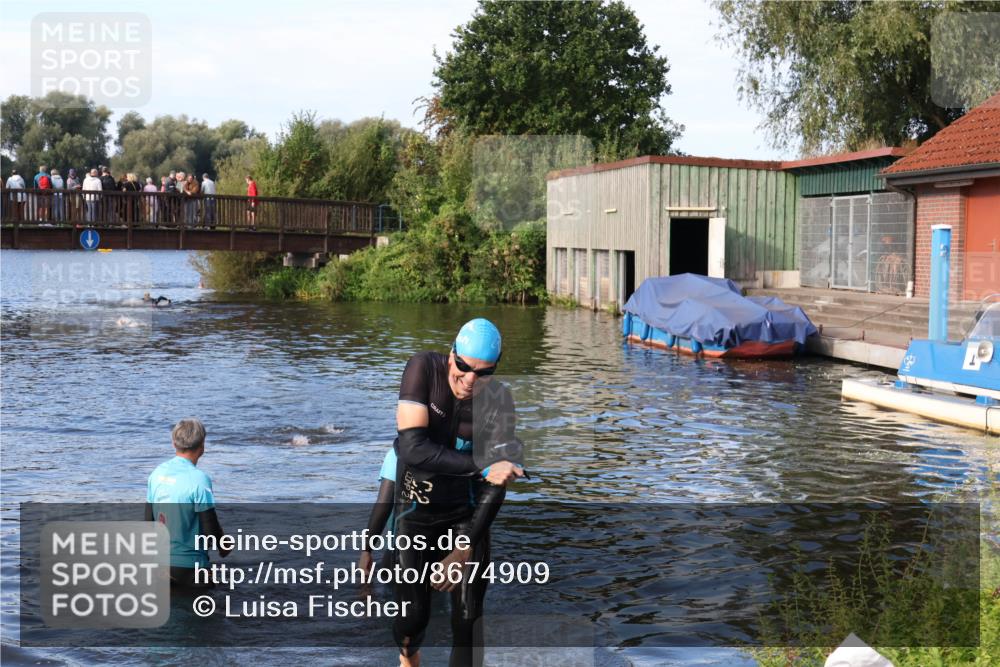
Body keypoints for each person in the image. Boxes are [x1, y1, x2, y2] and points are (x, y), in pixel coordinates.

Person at [389, 318, 524, 667]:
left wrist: (464, 548)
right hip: (414, 511)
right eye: (462, 367)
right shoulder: (424, 369)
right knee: (413, 617)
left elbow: (497, 485)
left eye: (482, 373)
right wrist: (480, 466)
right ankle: (408, 657)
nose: (469, 381)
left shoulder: (499, 401)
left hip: (466, 517)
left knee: (468, 622)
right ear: (451, 355)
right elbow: (413, 448)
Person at [145, 418, 230, 588]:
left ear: (173, 443)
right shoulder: (200, 480)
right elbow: (210, 527)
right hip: (191, 569)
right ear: (202, 446)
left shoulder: (156, 475)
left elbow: (148, 522)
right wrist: (223, 547)